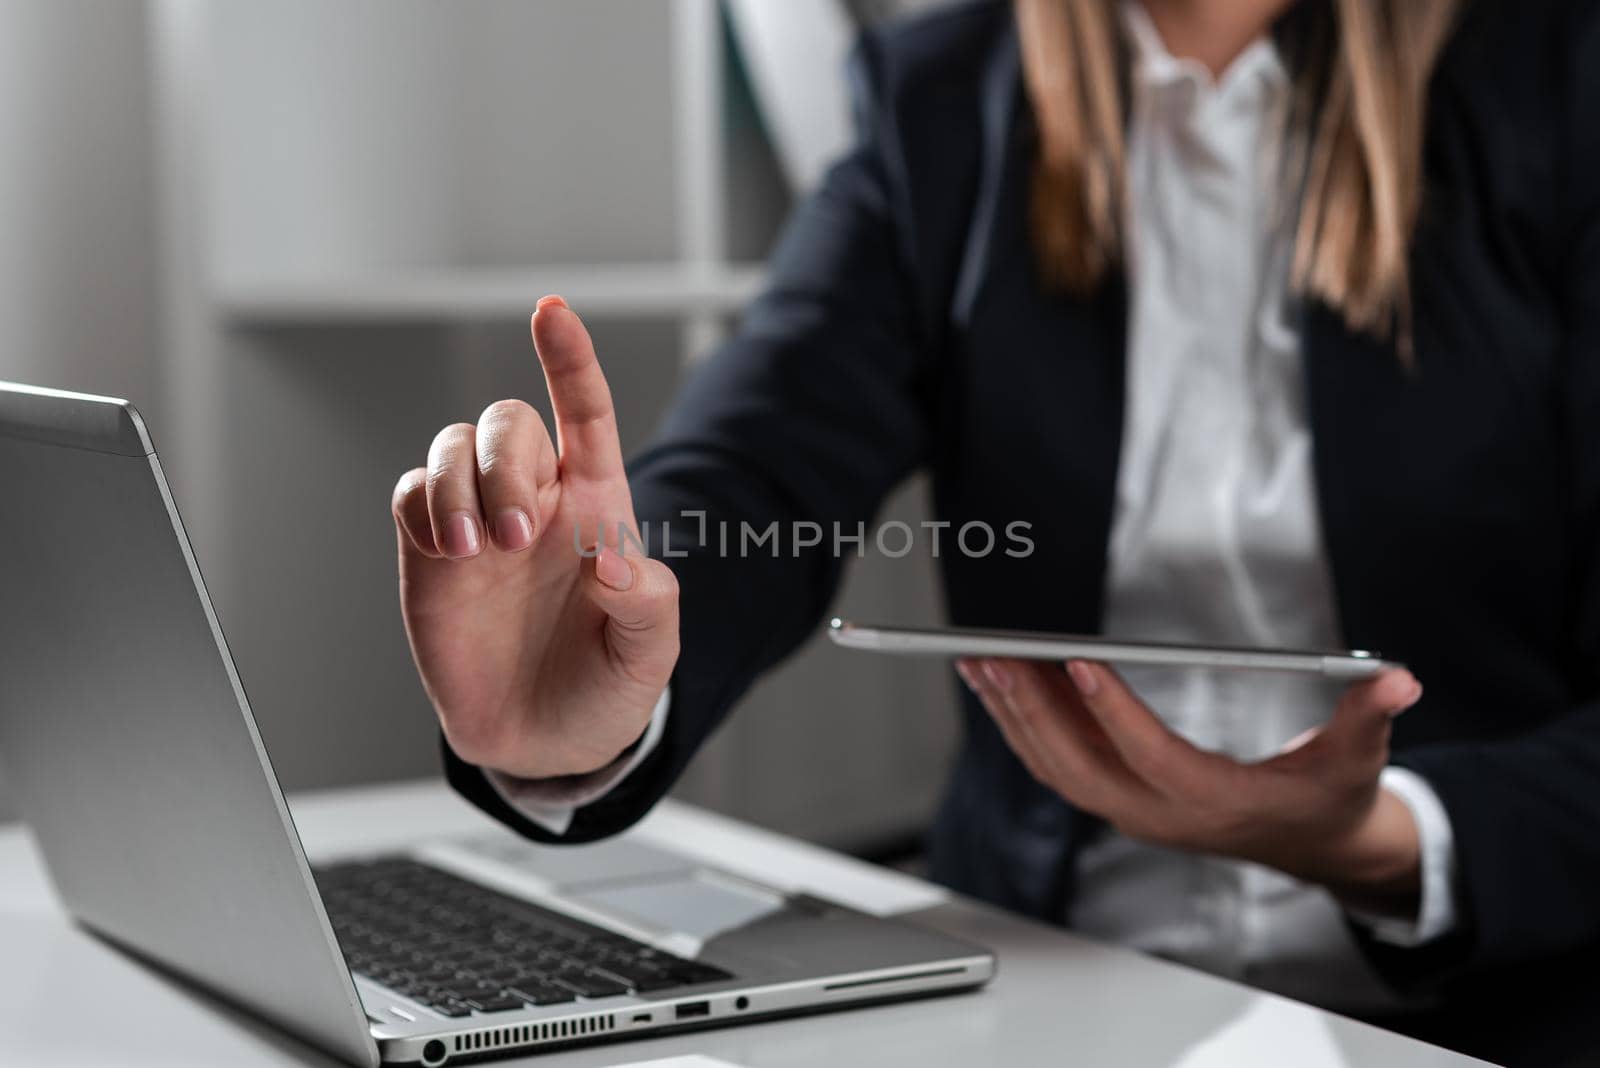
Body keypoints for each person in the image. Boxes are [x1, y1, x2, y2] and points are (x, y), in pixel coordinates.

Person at [389, 0, 1600, 1062]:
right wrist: (604, 659)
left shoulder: (1558, 74)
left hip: (1485, 1003)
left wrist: (1388, 839)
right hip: (1042, 992)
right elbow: (756, 467)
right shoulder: (940, 101)